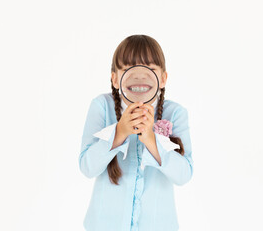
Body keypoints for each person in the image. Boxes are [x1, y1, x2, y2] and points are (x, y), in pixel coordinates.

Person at [79, 34, 194, 231]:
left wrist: (151, 140)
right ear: (115, 79)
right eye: (128, 69)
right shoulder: (101, 106)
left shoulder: (175, 113)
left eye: (150, 69)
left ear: (163, 78)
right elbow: (87, 167)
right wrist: (119, 132)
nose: (140, 76)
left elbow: (184, 175)